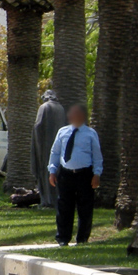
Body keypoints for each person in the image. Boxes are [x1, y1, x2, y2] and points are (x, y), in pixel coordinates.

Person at [48, 104, 104, 247]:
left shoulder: (90, 134)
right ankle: (62, 238)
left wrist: (97, 174)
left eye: (77, 113)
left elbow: (97, 156)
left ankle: (82, 238)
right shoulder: (62, 132)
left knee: (85, 207)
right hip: (66, 174)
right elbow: (55, 152)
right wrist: (52, 171)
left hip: (85, 174)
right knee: (64, 207)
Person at [31, 89, 67, 209]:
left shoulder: (44, 107)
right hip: (59, 145)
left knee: (45, 171)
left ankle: (47, 200)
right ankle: (57, 198)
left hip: (44, 145)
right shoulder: (61, 108)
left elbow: (38, 126)